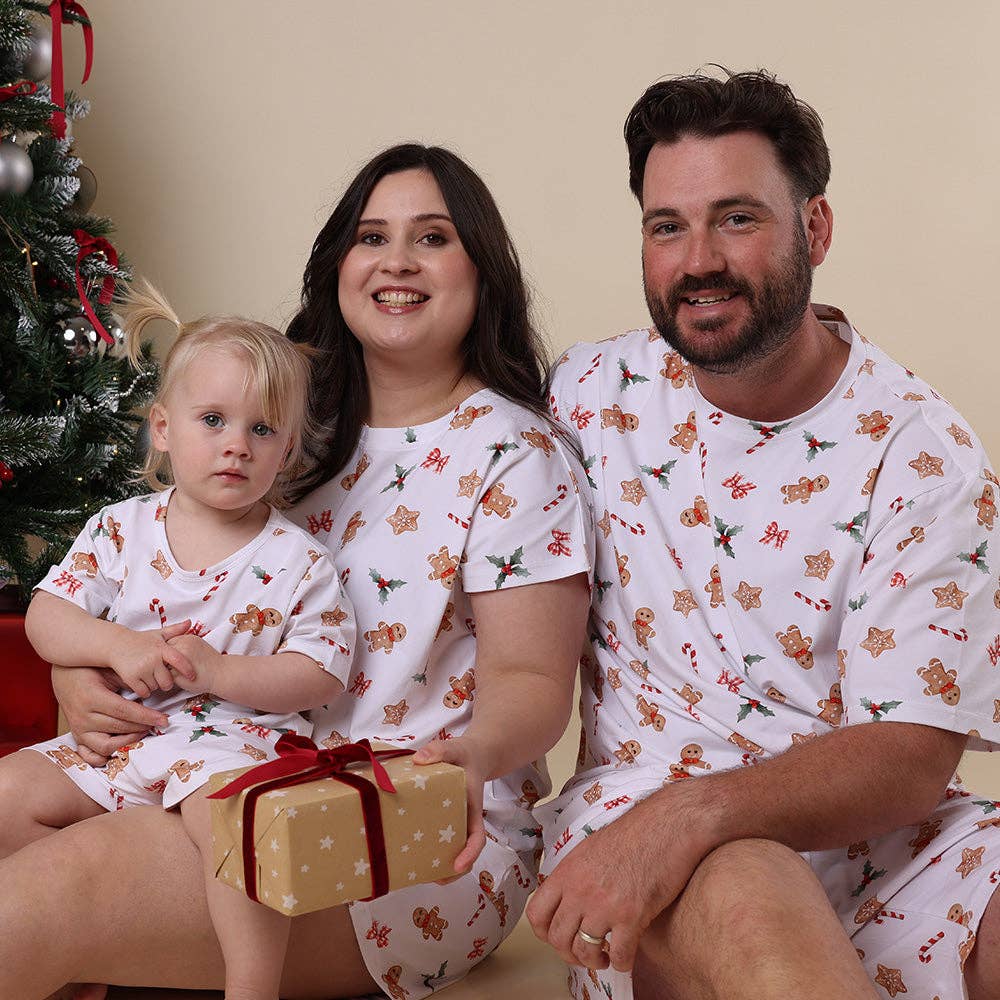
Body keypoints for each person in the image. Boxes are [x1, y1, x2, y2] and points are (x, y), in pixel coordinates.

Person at [0, 144, 592, 1000]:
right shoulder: (279, 424)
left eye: (432, 238)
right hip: (199, 764)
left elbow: (533, 680)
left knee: (38, 903)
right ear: (339, 265)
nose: (397, 260)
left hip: (403, 827)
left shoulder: (515, 456)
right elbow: (149, 587)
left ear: (482, 271)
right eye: (371, 237)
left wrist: (472, 755)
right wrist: (82, 674)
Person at [527, 70, 1000, 1000]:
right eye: (667, 227)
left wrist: (694, 814)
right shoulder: (586, 399)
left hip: (887, 843)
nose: (698, 260)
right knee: (748, 885)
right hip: (652, 843)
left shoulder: (923, 452)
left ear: (814, 229)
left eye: (737, 219)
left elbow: (910, 753)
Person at [1, 286, 355, 1000]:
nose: (236, 444)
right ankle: (87, 957)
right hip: (122, 740)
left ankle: (251, 984)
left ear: (287, 451)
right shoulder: (122, 528)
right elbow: (47, 615)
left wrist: (221, 672)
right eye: (214, 420)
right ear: (162, 428)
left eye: (262, 430)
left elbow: (321, 672)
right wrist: (115, 647)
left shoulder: (297, 559)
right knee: (8, 791)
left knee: (236, 829)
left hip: (229, 746)